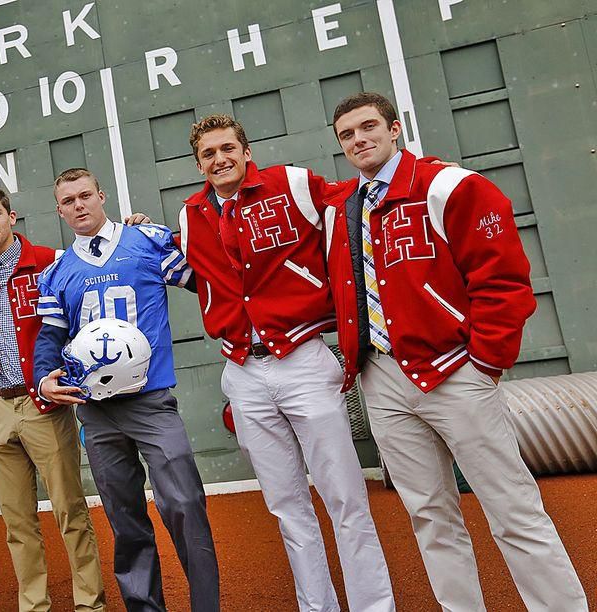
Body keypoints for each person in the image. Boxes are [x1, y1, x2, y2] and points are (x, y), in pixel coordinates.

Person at [325, 91, 587, 611]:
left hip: (454, 370)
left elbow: (504, 282)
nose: (359, 139)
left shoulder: (451, 186)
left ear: (395, 128)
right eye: (347, 134)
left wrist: (485, 362)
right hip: (381, 377)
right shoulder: (342, 207)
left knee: (513, 508)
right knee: (428, 516)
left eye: (369, 126)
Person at [179, 114, 394, 611]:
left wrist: (423, 171)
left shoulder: (292, 182)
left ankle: (374, 607)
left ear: (246, 150)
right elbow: (188, 266)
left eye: (227, 148)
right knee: (287, 507)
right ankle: (317, 607)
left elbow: (359, 194)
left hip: (303, 357)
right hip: (243, 370)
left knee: (345, 499)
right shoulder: (192, 214)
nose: (220, 159)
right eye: (208, 154)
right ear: (198, 164)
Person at [34, 168, 220, 612]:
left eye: (85, 196)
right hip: (96, 411)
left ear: (102, 196)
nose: (78, 206)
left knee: (184, 503)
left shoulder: (148, 243)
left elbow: (204, 277)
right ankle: (145, 607)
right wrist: (43, 377)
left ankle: (206, 607)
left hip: (151, 400)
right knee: (125, 519)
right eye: (68, 201)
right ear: (59, 210)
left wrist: (171, 233)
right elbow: (50, 335)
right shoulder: (58, 271)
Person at [0, 186, 105, 612]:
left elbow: (74, 321)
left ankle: (90, 603)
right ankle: (34, 605)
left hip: (42, 403)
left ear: (11, 216)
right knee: (17, 522)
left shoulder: (48, 261)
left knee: (69, 512)